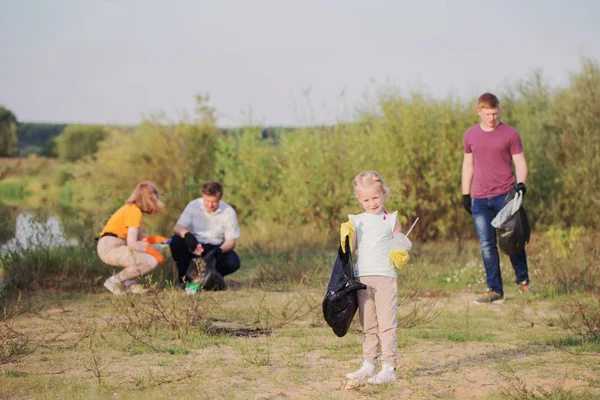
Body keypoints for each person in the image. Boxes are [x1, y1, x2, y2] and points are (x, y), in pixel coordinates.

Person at [461, 92, 534, 305]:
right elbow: (468, 165)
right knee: (487, 245)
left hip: (505, 196)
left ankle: (523, 281)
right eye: (487, 114)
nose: (491, 118)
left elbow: (520, 161)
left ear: (498, 110)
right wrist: (466, 194)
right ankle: (495, 290)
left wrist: (521, 184)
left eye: (494, 113)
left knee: (513, 240)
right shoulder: (471, 135)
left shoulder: (510, 134)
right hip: (480, 198)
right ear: (479, 112)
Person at [342, 171, 406, 385]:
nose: (372, 203)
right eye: (366, 199)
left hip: (386, 278)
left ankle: (389, 368)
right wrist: (345, 238)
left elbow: (400, 241)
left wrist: (402, 249)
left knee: (387, 325)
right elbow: (350, 251)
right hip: (362, 279)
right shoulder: (357, 221)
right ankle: (369, 364)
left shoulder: (392, 220)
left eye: (376, 198)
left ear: (384, 193)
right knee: (368, 325)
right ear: (359, 200)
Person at [97, 181, 167, 295]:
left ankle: (130, 284)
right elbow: (132, 243)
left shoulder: (132, 209)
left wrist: (158, 241)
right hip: (110, 247)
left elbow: (138, 237)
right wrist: (152, 251)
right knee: (150, 261)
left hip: (110, 245)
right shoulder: (134, 211)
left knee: (144, 257)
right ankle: (114, 281)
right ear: (150, 198)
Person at [169, 181, 240, 290]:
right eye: (207, 201)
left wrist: (218, 251)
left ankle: (210, 279)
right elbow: (177, 228)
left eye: (214, 202)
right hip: (194, 246)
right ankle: (184, 280)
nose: (210, 205)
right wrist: (187, 235)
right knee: (175, 241)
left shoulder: (228, 212)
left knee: (233, 262)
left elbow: (231, 242)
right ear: (203, 196)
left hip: (215, 248)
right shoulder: (193, 205)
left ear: (220, 198)